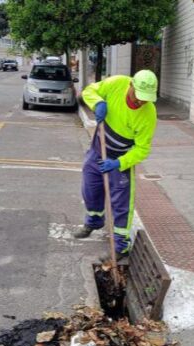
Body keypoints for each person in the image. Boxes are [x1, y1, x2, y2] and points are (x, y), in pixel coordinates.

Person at [73, 70, 158, 260]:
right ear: (131, 86)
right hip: (98, 150)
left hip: (121, 158)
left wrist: (119, 163)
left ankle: (121, 246)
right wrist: (98, 103)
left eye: (146, 99)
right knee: (90, 189)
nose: (140, 102)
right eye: (138, 97)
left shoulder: (148, 114)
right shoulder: (117, 83)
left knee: (121, 203)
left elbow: (142, 149)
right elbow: (89, 91)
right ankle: (94, 222)